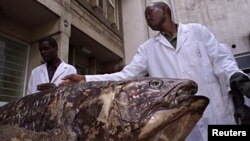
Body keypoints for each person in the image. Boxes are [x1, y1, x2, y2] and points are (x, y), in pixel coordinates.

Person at [60, 1, 250, 141]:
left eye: (150, 13)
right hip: (183, 124)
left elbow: (222, 61)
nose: (147, 19)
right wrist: (86, 79)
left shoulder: (197, 31)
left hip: (218, 115)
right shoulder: (148, 49)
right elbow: (125, 76)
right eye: (146, 16)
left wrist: (236, 78)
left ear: (165, 10)